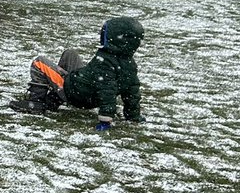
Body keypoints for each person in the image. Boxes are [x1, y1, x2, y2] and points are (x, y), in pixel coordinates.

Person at [8, 17, 145, 131]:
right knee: (70, 53)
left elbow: (107, 92)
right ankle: (55, 98)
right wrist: (133, 116)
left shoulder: (105, 64)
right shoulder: (127, 63)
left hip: (74, 93)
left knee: (39, 63)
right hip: (83, 84)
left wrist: (105, 120)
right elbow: (132, 91)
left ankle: (36, 102)